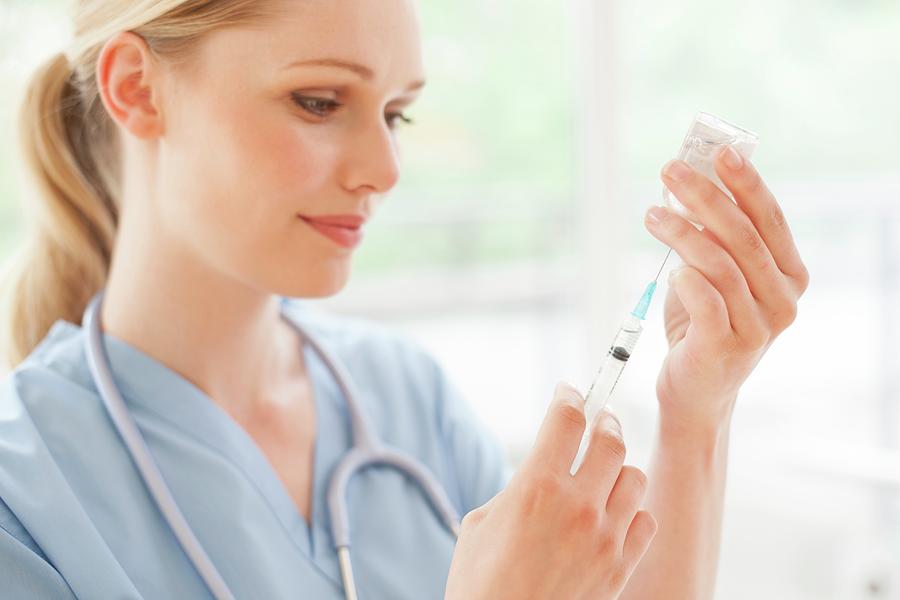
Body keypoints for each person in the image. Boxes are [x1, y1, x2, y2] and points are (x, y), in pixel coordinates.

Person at [0, 1, 807, 598]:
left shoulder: (404, 401)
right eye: (319, 101)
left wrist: (699, 409)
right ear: (137, 88)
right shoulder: (26, 503)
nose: (385, 168)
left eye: (396, 112)